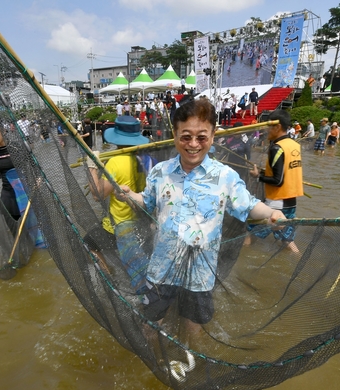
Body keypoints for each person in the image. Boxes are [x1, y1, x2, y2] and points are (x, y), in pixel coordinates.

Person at [117, 98, 286, 330]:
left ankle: (189, 359)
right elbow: (146, 202)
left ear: (213, 136)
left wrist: (272, 214)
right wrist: (128, 195)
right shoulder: (160, 172)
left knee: (193, 329)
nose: (193, 144)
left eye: (201, 137)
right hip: (161, 268)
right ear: (175, 135)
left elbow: (249, 206)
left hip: (200, 273)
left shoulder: (224, 176)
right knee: (150, 327)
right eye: (185, 136)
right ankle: (158, 360)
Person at [86, 115, 150, 292]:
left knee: (88, 243)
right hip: (141, 220)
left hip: (119, 223)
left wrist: (92, 165)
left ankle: (108, 280)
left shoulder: (115, 161)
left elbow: (97, 194)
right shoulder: (144, 158)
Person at [248, 109, 303, 253]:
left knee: (251, 231)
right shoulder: (294, 145)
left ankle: (240, 259)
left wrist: (257, 176)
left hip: (276, 202)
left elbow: (277, 180)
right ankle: (297, 260)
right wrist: (264, 171)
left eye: (269, 126)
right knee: (287, 239)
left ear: (277, 127)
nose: (267, 130)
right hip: (291, 201)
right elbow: (285, 171)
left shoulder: (277, 148)